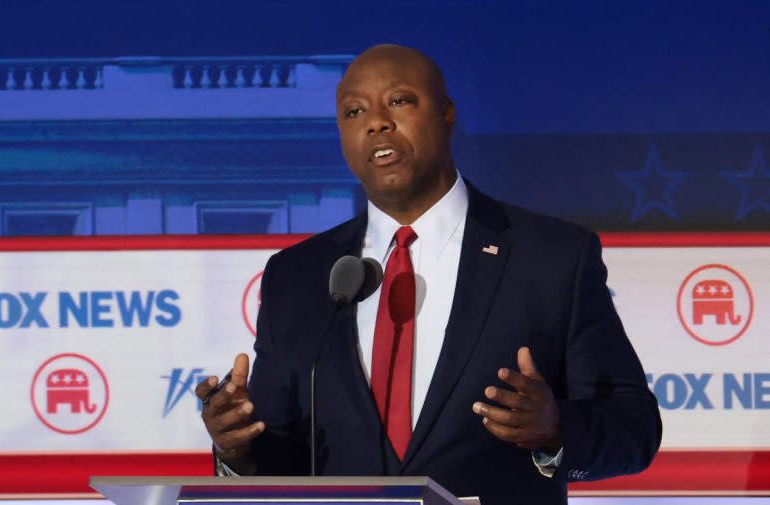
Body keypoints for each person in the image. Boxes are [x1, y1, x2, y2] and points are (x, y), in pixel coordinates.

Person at [195, 44, 661, 505]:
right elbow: (283, 459)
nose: (376, 122)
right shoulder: (295, 277)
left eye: (398, 101)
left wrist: (555, 431)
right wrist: (238, 450)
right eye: (354, 111)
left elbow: (633, 428)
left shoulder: (551, 257)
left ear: (446, 113)